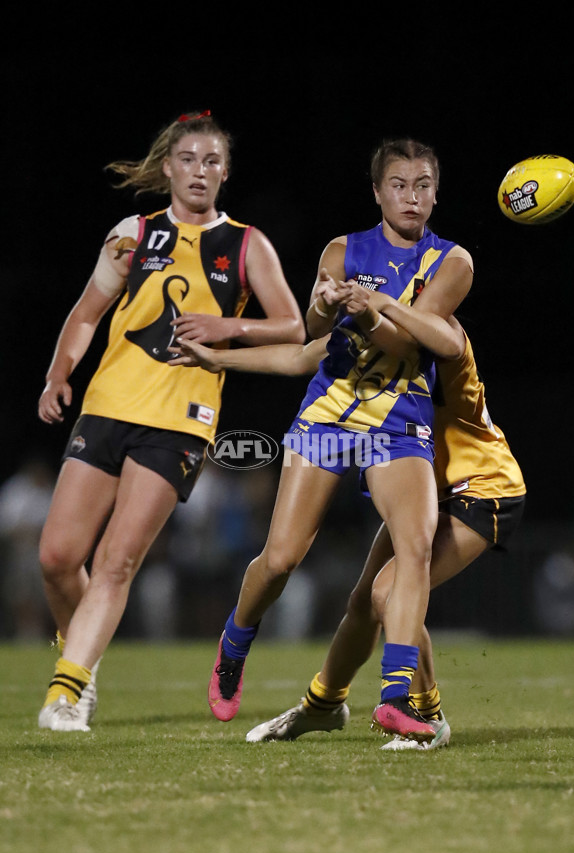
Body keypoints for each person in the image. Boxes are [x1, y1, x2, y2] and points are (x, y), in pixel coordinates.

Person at [174, 137, 475, 745]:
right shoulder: (341, 251)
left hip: (399, 421)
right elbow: (312, 341)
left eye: (422, 185)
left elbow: (409, 345)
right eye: (398, 184)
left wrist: (368, 312)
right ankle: (235, 642)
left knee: (413, 547)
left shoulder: (453, 263)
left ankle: (397, 699)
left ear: (436, 193)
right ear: (377, 192)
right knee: (281, 558)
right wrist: (314, 307)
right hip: (329, 420)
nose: (411, 197)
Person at [37, 111, 305, 732]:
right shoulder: (132, 234)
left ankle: (67, 692)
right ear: (168, 168)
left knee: (115, 562)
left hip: (180, 421)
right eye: (188, 159)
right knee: (56, 557)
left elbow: (294, 327)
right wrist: (58, 375)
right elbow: (85, 314)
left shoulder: (245, 244)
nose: (200, 171)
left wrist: (227, 327)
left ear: (225, 173)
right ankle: (83, 658)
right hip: (106, 405)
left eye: (212, 161)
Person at [172, 296, 526, 749]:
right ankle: (323, 704)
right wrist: (217, 357)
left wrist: (376, 309)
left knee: (387, 592)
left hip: (482, 490)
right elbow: (302, 354)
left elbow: (439, 342)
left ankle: (427, 713)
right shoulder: (371, 330)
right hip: (428, 485)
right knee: (362, 602)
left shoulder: (439, 334)